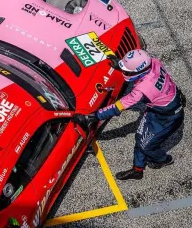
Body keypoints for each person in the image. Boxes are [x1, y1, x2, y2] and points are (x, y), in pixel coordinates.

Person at [76, 49, 185, 181]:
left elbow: (117, 107)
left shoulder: (141, 91)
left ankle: (163, 159)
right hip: (162, 107)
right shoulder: (154, 62)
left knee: (146, 145)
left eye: (127, 71)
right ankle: (137, 170)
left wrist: (92, 117)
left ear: (139, 71)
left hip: (168, 118)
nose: (124, 73)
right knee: (140, 138)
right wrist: (121, 65)